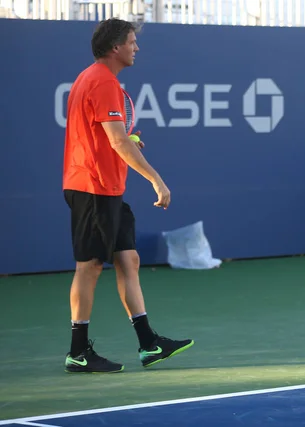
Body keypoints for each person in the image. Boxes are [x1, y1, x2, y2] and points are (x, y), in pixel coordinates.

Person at [62, 18, 194, 373]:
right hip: (92, 187)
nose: (137, 47)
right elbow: (117, 140)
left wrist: (127, 142)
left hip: (108, 187)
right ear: (115, 47)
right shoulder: (102, 82)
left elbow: (110, 137)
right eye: (132, 42)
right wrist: (156, 180)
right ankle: (78, 352)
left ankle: (148, 344)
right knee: (89, 267)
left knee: (128, 260)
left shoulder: (94, 78)